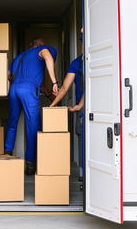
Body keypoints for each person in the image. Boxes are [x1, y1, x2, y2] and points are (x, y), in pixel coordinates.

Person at [4, 38, 58, 175]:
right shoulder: (43, 50)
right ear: (40, 45)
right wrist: (54, 82)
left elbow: (9, 75)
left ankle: (6, 155)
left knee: (12, 123)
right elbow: (48, 58)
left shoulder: (18, 57)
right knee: (32, 126)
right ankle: (30, 164)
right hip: (28, 90)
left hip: (14, 89)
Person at [49, 53, 84, 181]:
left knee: (82, 138)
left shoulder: (77, 62)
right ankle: (84, 175)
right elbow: (64, 87)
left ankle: (83, 174)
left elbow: (64, 87)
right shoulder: (77, 63)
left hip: (84, 108)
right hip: (91, 107)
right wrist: (53, 105)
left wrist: (53, 105)